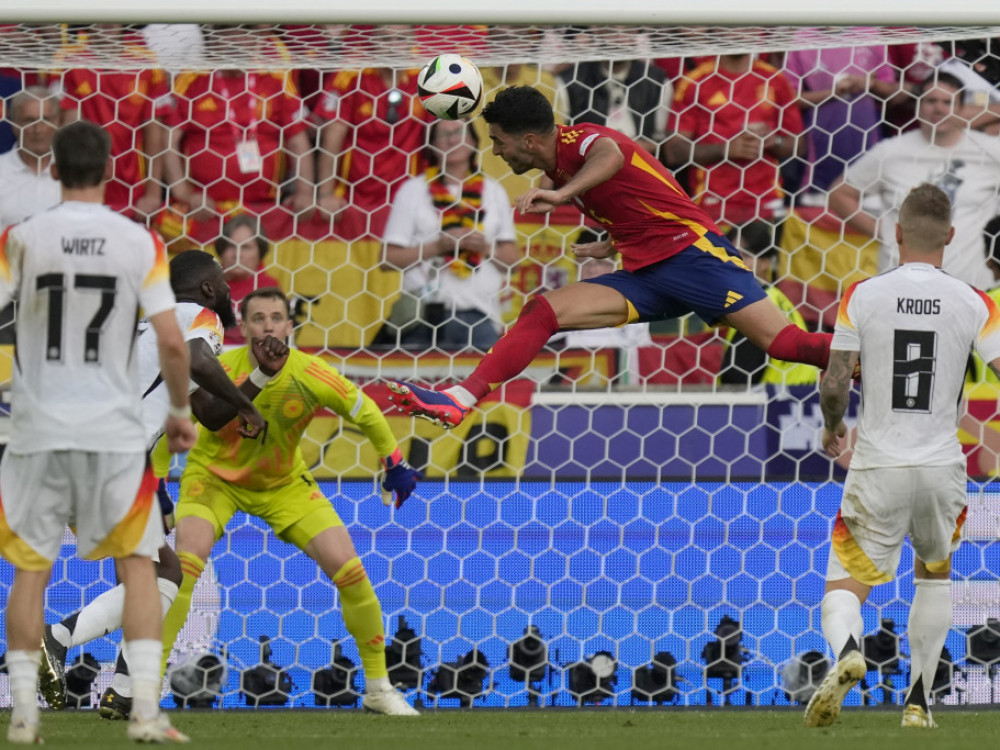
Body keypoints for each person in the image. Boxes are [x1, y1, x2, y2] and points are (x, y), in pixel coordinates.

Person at [384, 86, 833, 429]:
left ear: (530, 140)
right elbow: (640, 203)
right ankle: (460, 399)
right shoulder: (555, 163)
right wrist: (612, 241)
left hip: (697, 260)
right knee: (543, 311)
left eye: (500, 141)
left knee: (788, 345)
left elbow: (611, 154)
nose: (496, 151)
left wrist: (561, 195)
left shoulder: (583, 140)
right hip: (649, 272)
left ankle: (878, 360)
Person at [0, 119, 197, 744]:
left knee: (32, 570)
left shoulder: (21, 239)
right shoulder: (140, 242)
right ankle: (142, 710)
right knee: (143, 567)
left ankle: (25, 714)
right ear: (111, 170)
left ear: (51, 170)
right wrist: (180, 414)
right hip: (112, 432)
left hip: (36, 426)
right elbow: (171, 340)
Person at [159, 287, 423, 716]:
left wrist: (393, 464)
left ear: (290, 325)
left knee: (352, 574)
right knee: (183, 568)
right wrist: (155, 484)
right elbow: (165, 417)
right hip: (212, 478)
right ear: (241, 327)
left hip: (284, 484)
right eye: (258, 318)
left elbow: (367, 412)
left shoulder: (310, 373)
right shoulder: (217, 368)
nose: (268, 326)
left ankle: (378, 687)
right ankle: (146, 682)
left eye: (276, 318)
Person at [38, 249, 270, 720]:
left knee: (154, 572)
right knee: (162, 574)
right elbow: (203, 362)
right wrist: (250, 409)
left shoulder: (149, 327)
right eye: (223, 283)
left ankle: (123, 694)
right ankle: (57, 638)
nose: (229, 292)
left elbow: (207, 410)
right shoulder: (197, 316)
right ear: (207, 288)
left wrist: (260, 378)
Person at [809, 183, 1000, 729]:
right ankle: (918, 703)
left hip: (878, 465)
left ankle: (848, 649)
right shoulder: (975, 301)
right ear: (952, 237)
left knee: (844, 585)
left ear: (896, 234)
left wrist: (832, 426)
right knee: (934, 576)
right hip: (942, 466)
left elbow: (836, 380)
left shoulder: (862, 294)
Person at [829, 71, 1000, 290]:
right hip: (901, 284)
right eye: (931, 100)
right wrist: (886, 233)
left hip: (970, 284)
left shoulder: (989, 151)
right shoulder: (891, 151)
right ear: (919, 105)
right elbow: (840, 194)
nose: (938, 108)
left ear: (961, 109)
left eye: (947, 102)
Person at [379, 118, 520, 351]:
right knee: (415, 386)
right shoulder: (413, 190)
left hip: (480, 316)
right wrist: (438, 246)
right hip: (423, 316)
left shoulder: (494, 191)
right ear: (432, 144)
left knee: (486, 385)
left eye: (459, 132)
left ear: (474, 141)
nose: (452, 139)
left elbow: (512, 263)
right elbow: (386, 260)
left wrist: (484, 248)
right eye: (443, 135)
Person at [664, 53, 803, 228]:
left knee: (762, 255)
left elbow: (798, 145)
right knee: (721, 256)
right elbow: (672, 152)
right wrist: (725, 150)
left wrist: (773, 142)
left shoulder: (775, 79)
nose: (738, 29)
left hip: (766, 202)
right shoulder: (695, 82)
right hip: (712, 204)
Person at [718, 222, 819, 387]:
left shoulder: (752, 304)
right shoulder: (777, 298)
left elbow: (737, 379)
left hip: (769, 406)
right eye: (728, 254)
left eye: (744, 254)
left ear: (765, 262)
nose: (733, 261)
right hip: (798, 401)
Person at [212, 215, 282, 344]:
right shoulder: (207, 286)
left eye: (246, 247)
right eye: (231, 246)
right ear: (221, 250)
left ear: (260, 251)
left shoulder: (269, 289)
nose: (237, 254)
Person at [0, 87, 61, 231]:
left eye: (45, 119)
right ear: (14, 124)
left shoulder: (73, 172)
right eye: (29, 120)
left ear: (58, 122)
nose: (37, 129)